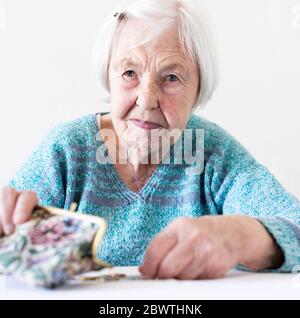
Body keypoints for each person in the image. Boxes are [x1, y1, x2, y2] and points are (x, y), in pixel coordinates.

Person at [1, 0, 300, 280]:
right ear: (109, 76)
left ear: (198, 90)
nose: (146, 100)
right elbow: (9, 235)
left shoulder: (213, 155)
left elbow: (295, 225)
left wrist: (239, 235)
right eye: (130, 72)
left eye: (171, 78)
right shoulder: (66, 151)